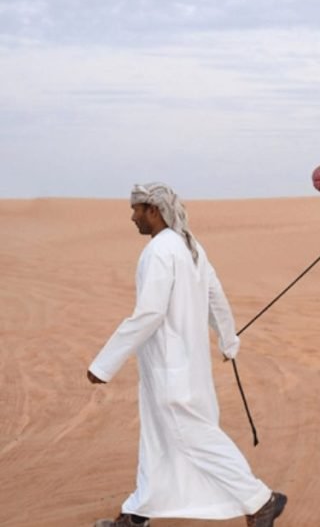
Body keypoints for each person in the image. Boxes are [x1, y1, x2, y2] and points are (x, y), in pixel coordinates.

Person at [88, 183, 287, 527]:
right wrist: (228, 340)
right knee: (158, 440)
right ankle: (137, 515)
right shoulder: (189, 245)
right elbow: (215, 295)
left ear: (154, 210)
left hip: (171, 371)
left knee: (194, 437)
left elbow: (149, 313)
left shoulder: (161, 251)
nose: (132, 216)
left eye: (137, 209)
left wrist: (104, 365)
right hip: (183, 367)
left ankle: (260, 500)